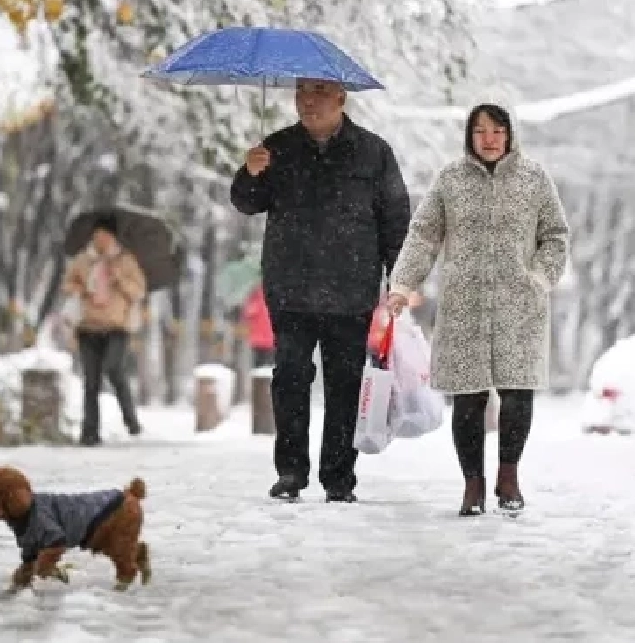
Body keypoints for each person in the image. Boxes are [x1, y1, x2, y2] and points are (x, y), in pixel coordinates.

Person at [230, 79, 411, 503]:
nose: (307, 101)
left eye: (317, 93)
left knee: (345, 385)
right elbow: (246, 202)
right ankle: (290, 473)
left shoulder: (373, 152)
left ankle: (338, 479)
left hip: (352, 288)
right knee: (289, 379)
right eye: (300, 94)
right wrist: (249, 173)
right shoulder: (276, 148)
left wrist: (398, 281)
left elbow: (395, 219)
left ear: (341, 98)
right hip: (290, 287)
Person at [388, 102, 569, 515]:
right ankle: (473, 483)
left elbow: (556, 236)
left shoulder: (534, 179)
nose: (489, 140)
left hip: (518, 307)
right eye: (480, 131)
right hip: (464, 307)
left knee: (517, 394)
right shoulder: (450, 180)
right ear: (470, 136)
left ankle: (508, 476)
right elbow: (424, 234)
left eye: (497, 131)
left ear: (510, 135)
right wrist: (403, 284)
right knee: (468, 400)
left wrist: (539, 278)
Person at [62, 213, 146, 446]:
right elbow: (67, 285)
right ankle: (89, 431)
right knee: (91, 380)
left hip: (117, 326)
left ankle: (130, 419)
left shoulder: (125, 261)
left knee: (113, 368)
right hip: (88, 327)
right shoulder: (83, 260)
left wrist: (119, 278)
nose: (100, 241)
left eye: (105, 236)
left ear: (112, 237)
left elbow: (139, 291)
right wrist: (80, 286)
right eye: (97, 236)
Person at [241, 284, 275, 368]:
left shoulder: (255, 300)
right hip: (269, 340)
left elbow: (247, 314)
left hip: (259, 341)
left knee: (259, 367)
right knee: (269, 367)